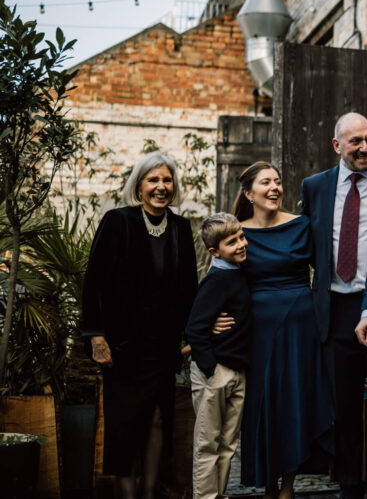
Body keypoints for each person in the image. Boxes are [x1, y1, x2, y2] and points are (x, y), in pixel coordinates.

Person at [82, 151, 198, 499]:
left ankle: (149, 493)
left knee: (158, 422)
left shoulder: (180, 228)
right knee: (124, 428)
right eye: (153, 180)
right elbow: (93, 283)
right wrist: (95, 335)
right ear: (140, 185)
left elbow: (189, 289)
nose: (161, 187)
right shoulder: (118, 222)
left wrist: (191, 336)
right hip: (122, 348)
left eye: (166, 180)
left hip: (163, 350)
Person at [301, 113, 367, 499]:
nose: (364, 147)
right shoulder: (315, 187)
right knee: (342, 405)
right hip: (334, 307)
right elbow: (307, 246)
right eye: (355, 141)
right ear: (336, 145)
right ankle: (350, 484)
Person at [234, 161, 334, 499]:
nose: (275, 187)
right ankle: (267, 485)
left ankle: (288, 486)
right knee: (263, 404)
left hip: (300, 327)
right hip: (258, 330)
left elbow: (324, 274)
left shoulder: (302, 225)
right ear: (249, 193)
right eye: (266, 183)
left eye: (278, 181)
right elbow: (223, 281)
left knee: (294, 400)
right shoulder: (237, 231)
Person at [186, 213, 252, 499]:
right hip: (215, 373)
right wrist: (211, 368)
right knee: (208, 443)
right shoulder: (216, 281)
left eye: (241, 237)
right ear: (214, 251)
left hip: (237, 371)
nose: (241, 244)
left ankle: (219, 493)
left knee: (228, 444)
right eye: (231, 242)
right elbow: (195, 329)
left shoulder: (238, 273)